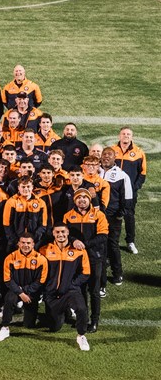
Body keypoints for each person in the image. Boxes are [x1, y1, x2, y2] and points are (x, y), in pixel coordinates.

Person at [39, 223, 92, 351]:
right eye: (57, 232)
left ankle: (81, 336)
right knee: (54, 327)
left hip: (70, 291)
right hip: (52, 294)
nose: (60, 235)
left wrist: (72, 284)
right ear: (53, 234)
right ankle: (64, 312)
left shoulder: (79, 251)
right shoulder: (44, 250)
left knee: (81, 309)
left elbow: (86, 273)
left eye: (63, 232)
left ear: (68, 233)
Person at [63, 188, 108, 333]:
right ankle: (83, 319)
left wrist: (84, 244)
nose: (82, 200)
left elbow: (103, 236)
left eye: (85, 197)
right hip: (76, 259)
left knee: (94, 291)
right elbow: (63, 235)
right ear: (74, 200)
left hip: (94, 257)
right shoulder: (68, 216)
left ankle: (94, 321)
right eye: (79, 197)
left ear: (89, 199)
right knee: (80, 290)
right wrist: (74, 240)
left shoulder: (98, 215)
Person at [0, 231, 48, 340]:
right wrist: (20, 293)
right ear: (18, 244)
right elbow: (7, 280)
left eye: (28, 243)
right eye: (23, 242)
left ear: (33, 244)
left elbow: (40, 281)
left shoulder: (41, 259)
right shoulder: (10, 258)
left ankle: (32, 311)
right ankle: (5, 328)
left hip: (31, 293)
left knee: (29, 325)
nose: (26, 245)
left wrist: (24, 291)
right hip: (16, 290)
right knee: (9, 299)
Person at [99, 147, 132, 287]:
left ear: (114, 158)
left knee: (113, 245)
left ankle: (117, 274)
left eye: (109, 155)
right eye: (104, 154)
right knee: (99, 245)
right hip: (96, 216)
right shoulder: (95, 171)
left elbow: (127, 198)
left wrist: (120, 215)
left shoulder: (122, 175)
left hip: (112, 217)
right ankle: (99, 272)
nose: (106, 157)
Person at [111, 127, 146, 254]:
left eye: (128, 134)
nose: (126, 136)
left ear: (132, 137)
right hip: (113, 191)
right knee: (112, 216)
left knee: (129, 216)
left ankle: (130, 241)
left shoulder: (139, 152)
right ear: (119, 136)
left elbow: (142, 173)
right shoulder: (111, 151)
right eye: (123, 134)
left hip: (130, 192)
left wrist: (134, 187)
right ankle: (111, 241)